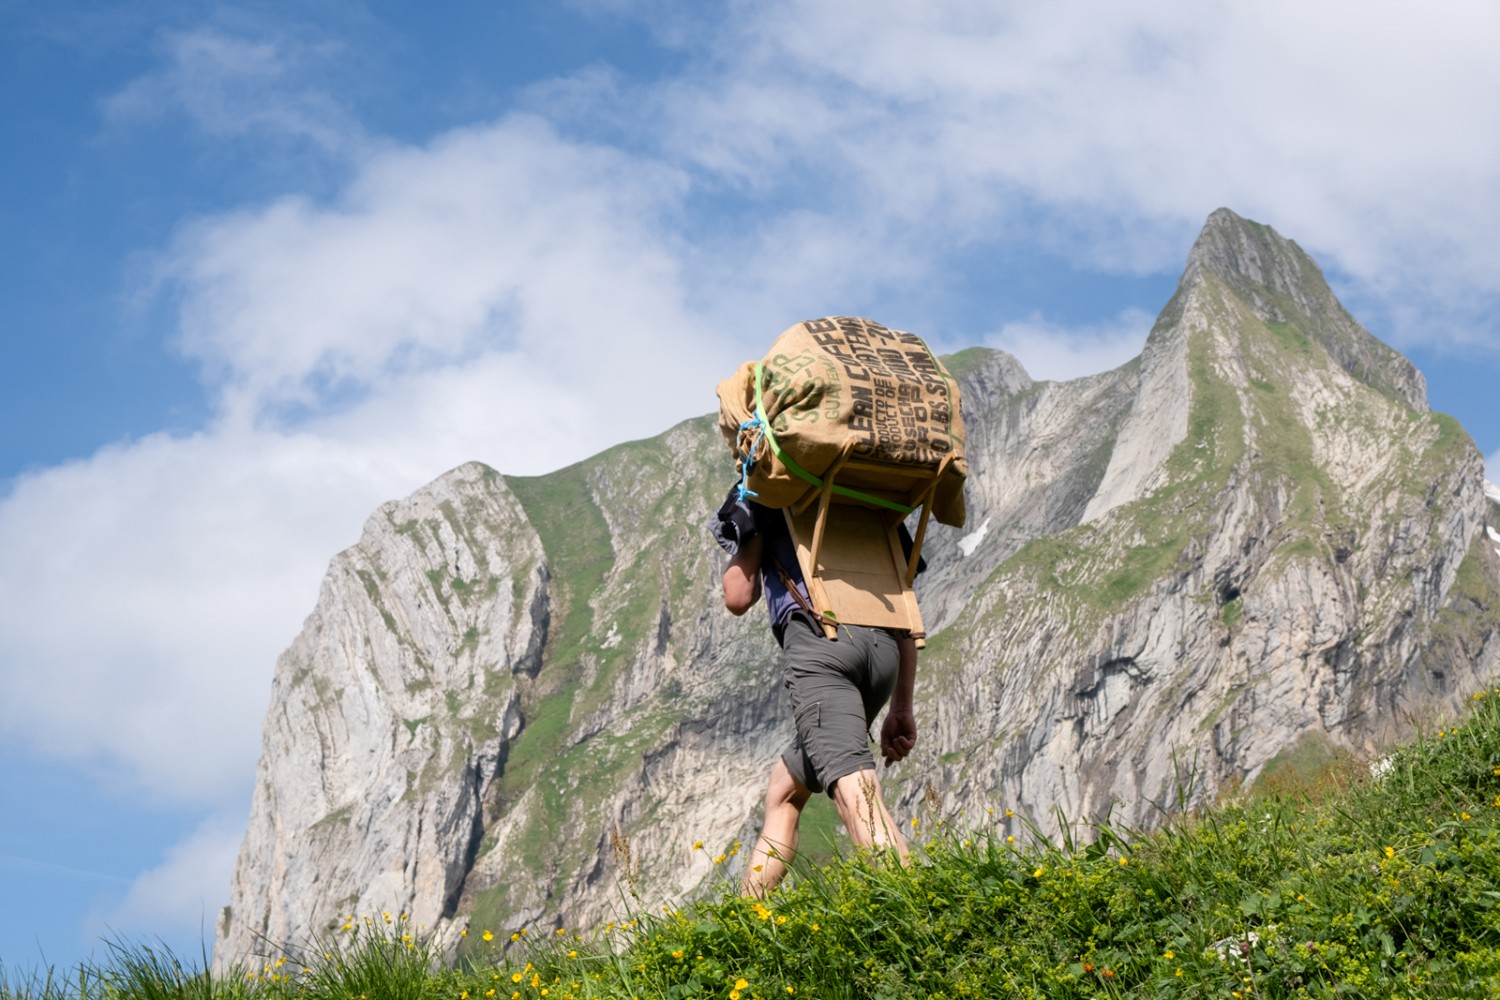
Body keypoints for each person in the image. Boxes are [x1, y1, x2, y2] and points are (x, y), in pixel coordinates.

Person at [712, 491, 919, 897]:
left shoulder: (766, 486)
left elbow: (738, 597)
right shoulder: (869, 492)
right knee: (785, 788)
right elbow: (907, 610)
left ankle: (915, 912)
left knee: (853, 788)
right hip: (883, 654)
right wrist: (902, 705)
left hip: (822, 643)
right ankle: (746, 920)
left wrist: (746, 539)